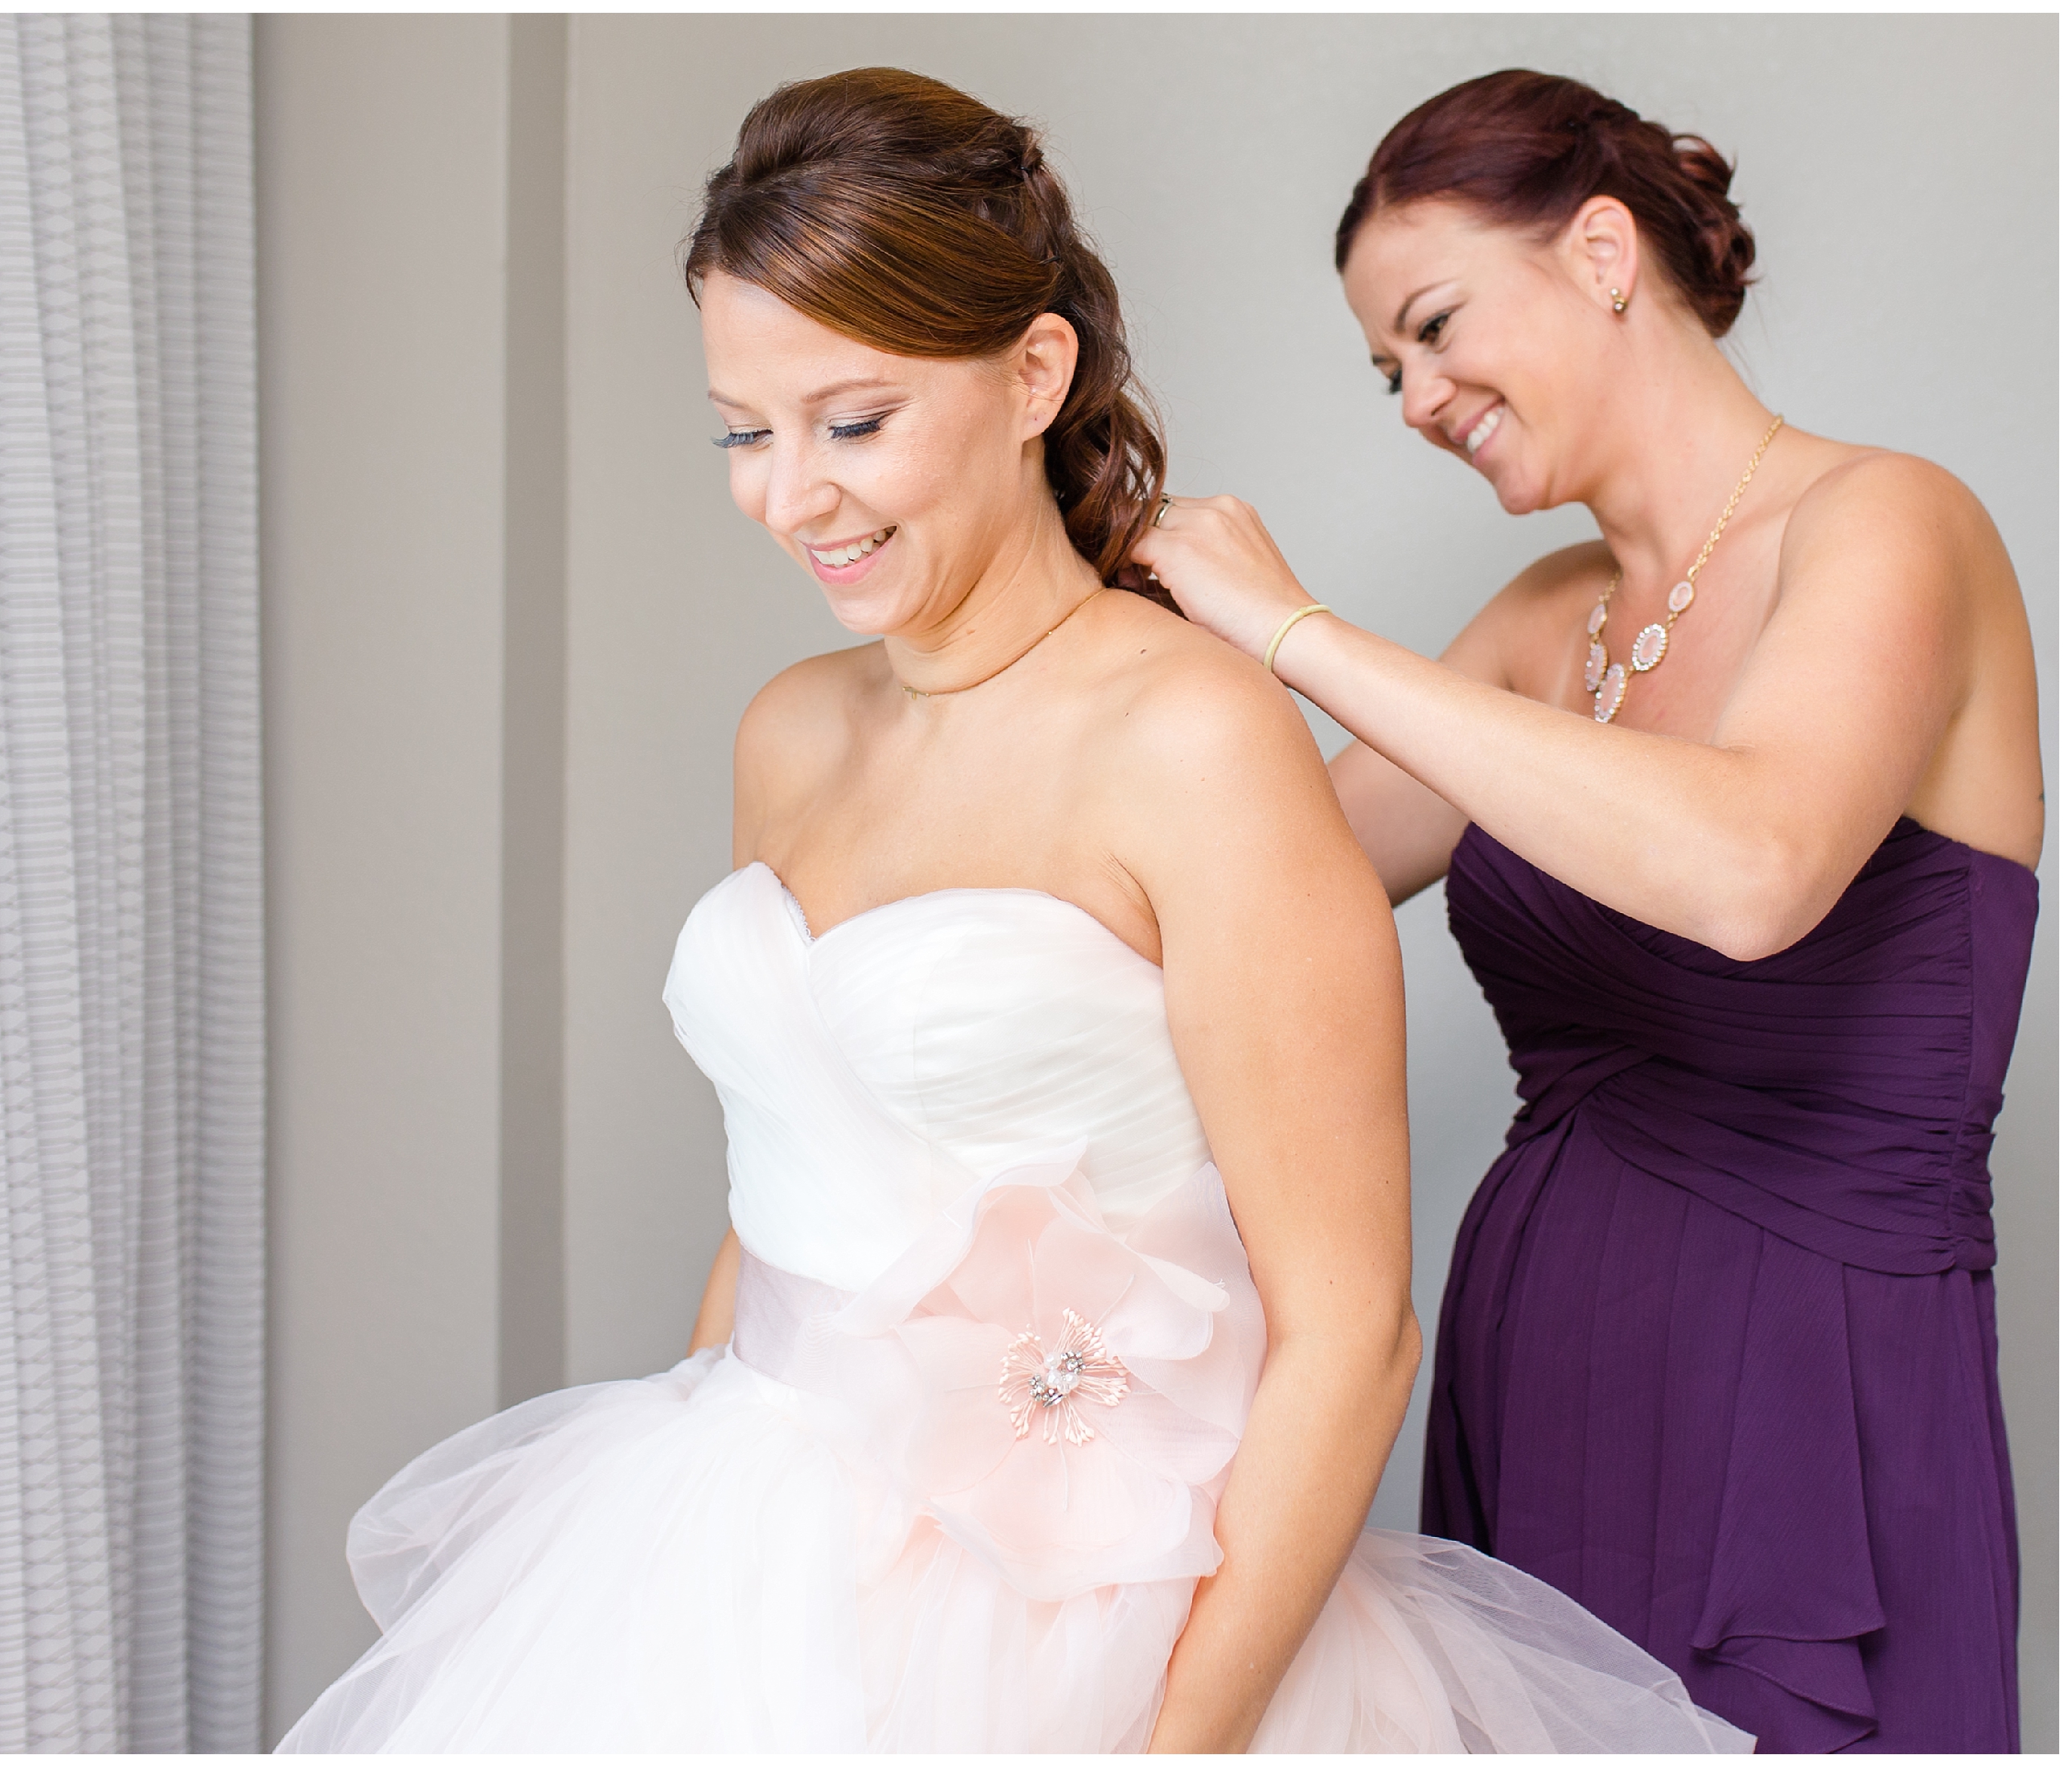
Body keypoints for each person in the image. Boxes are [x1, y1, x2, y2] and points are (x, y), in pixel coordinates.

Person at [276, 68, 1745, 1753]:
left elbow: (1350, 1329)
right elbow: (783, 1191)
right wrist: (680, 1540)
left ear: (1034, 374)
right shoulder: (788, 729)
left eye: (853, 422)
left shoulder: (1195, 740)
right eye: (746, 432)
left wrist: (1177, 1743)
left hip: (1085, 1625)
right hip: (746, 1566)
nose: (788, 497)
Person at [1131, 68, 2040, 1753]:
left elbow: (1754, 870)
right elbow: (1237, 901)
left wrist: (1293, 631)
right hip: (1538, 1368)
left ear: (1605, 253)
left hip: (1817, 1404)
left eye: (1432, 326)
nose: (1415, 398)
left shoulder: (1889, 522)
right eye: (1387, 370)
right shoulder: (1543, 618)